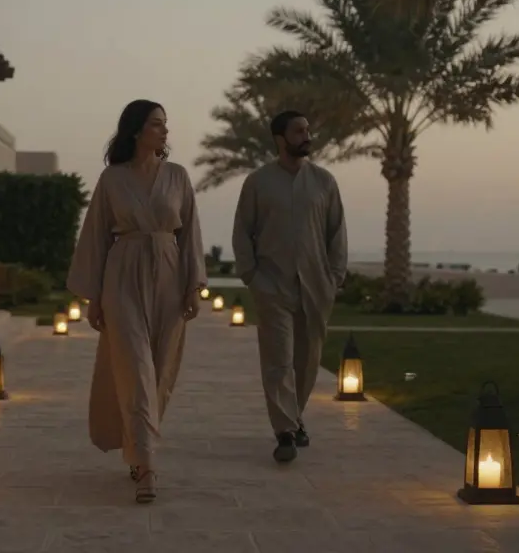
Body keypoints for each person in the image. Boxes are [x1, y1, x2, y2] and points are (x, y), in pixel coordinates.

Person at [67, 99, 207, 504]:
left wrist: (192, 286)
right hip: (123, 275)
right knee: (136, 371)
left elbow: (191, 232)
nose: (165, 132)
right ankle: (146, 467)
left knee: (160, 371)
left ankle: (136, 447)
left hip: (168, 271)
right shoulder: (112, 180)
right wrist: (94, 298)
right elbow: (95, 236)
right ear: (136, 130)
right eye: (157, 125)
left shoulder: (178, 176)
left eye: (165, 125)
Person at [231, 110, 348, 463]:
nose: (307, 135)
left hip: (315, 286)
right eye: (299, 131)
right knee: (279, 359)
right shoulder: (258, 182)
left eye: (308, 129)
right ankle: (284, 430)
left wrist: (334, 276)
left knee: (306, 360)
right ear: (281, 139)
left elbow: (336, 232)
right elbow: (242, 230)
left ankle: (295, 418)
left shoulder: (325, 182)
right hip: (272, 284)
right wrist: (252, 275)